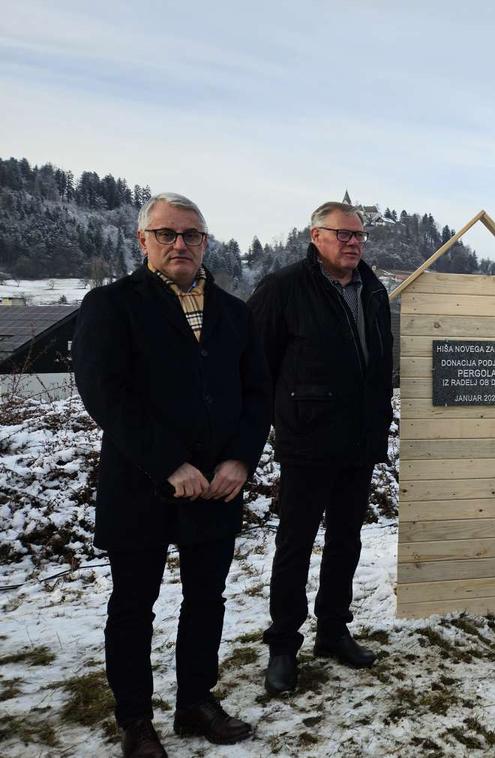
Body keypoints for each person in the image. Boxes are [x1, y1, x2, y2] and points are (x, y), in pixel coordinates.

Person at [73, 192, 271, 756]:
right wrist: (167, 462)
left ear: (206, 242)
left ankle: (196, 703)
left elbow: (257, 392)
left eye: (192, 235)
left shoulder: (235, 312)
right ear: (142, 241)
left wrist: (240, 459)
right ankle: (136, 720)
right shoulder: (111, 305)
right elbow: (105, 394)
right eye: (167, 234)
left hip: (218, 485)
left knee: (207, 599)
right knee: (134, 606)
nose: (180, 244)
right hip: (141, 483)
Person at [248, 201, 393, 696]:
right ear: (316, 236)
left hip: (358, 440)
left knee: (346, 541)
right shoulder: (283, 288)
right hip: (307, 440)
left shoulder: (372, 290)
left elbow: (377, 363)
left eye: (359, 235)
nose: (353, 242)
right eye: (342, 234)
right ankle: (283, 645)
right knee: (295, 544)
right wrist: (276, 422)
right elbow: (255, 367)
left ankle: (333, 630)